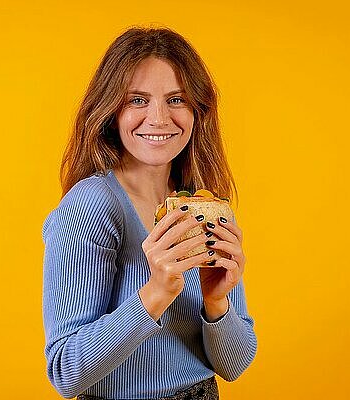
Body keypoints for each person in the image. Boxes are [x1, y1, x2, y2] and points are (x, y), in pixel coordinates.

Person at [42, 26, 257, 400]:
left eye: (176, 99)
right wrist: (157, 291)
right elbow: (66, 371)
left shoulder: (207, 208)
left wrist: (217, 301)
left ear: (197, 110)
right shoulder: (90, 205)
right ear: (110, 110)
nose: (159, 119)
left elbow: (233, 365)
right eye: (138, 100)